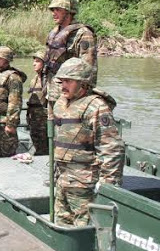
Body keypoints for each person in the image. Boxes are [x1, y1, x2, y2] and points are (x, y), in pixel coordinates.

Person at [52, 58, 124, 227]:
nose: (63, 86)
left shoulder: (96, 107)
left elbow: (111, 148)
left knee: (86, 228)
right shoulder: (61, 103)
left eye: (68, 81)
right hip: (63, 178)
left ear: (83, 84)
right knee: (62, 224)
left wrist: (108, 186)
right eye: (62, 81)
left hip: (84, 183)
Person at [44, 0, 97, 107]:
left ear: (68, 12)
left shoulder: (83, 34)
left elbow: (88, 69)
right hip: (52, 92)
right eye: (53, 10)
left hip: (71, 97)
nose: (54, 13)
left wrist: (81, 98)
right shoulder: (54, 33)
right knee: (51, 123)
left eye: (58, 9)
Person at [0, 46, 26, 157]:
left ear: (6, 59)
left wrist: (11, 124)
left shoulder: (13, 77)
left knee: (8, 152)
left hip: (6, 122)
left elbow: (15, 102)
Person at [27, 50, 48, 155]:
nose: (34, 63)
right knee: (37, 144)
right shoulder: (34, 80)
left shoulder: (49, 80)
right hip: (34, 119)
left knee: (45, 146)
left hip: (45, 120)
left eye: (37, 61)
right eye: (34, 61)